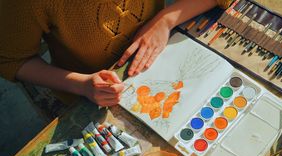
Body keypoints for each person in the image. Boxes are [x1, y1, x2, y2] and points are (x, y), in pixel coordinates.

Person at [0, 0, 232, 107]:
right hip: (91, 97)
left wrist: (166, 20)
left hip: (163, 58)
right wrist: (81, 85)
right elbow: (11, 59)